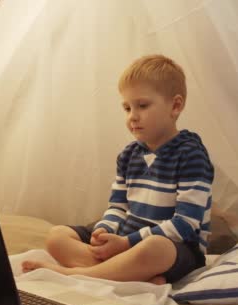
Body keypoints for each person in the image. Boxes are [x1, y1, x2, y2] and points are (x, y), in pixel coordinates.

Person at [22, 54, 213, 284]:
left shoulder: (190, 153)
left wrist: (126, 243)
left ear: (175, 105)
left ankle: (76, 273)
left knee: (156, 248)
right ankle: (128, 272)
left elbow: (186, 225)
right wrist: (103, 231)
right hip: (127, 239)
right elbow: (118, 207)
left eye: (142, 105)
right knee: (56, 237)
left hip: (176, 248)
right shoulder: (128, 155)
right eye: (126, 108)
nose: (133, 116)